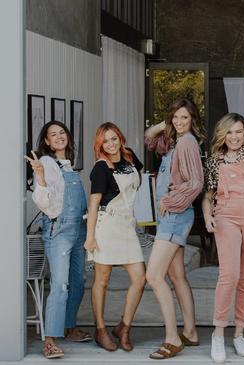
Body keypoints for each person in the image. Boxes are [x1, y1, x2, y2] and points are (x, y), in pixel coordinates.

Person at [201, 54, 244, 363]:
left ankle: (239, 332)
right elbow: (209, 194)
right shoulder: (215, 160)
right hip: (226, 216)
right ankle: (218, 333)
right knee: (228, 275)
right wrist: (207, 214)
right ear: (223, 134)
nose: (234, 137)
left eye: (238, 132)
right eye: (229, 132)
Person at [144, 98, 205, 360]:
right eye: (176, 117)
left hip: (175, 216)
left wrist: (169, 201)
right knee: (177, 276)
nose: (180, 123)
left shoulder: (188, 143)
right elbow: (149, 138)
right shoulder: (175, 141)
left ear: (193, 120)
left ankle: (172, 338)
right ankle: (190, 332)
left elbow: (195, 183)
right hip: (174, 216)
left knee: (153, 276)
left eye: (185, 118)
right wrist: (166, 122)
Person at [25, 121, 92, 359]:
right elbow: (42, 202)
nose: (59, 137)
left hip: (79, 231)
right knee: (60, 286)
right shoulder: (46, 163)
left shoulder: (69, 166)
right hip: (59, 231)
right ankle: (50, 341)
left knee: (78, 282)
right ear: (46, 141)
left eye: (62, 132)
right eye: (53, 135)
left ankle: (69, 327)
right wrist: (40, 176)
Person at [84, 122, 146, 352]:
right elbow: (94, 204)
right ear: (100, 145)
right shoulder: (101, 168)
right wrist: (90, 238)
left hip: (127, 226)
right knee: (102, 280)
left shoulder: (130, 158)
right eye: (105, 141)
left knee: (139, 278)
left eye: (113, 138)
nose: (110, 144)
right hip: (107, 226)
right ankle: (100, 330)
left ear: (120, 138)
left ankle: (124, 327)